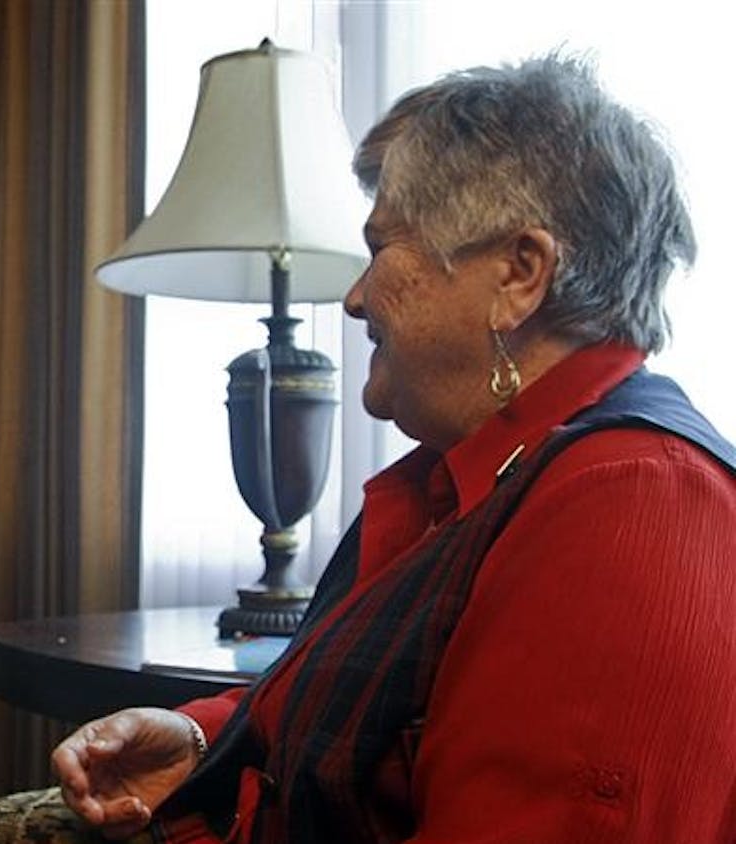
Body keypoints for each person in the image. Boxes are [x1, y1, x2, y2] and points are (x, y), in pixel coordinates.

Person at [39, 55, 736, 843]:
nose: (356, 296)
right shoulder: (470, 479)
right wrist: (205, 738)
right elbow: (392, 715)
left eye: (383, 246)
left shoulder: (636, 506)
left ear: (519, 273)